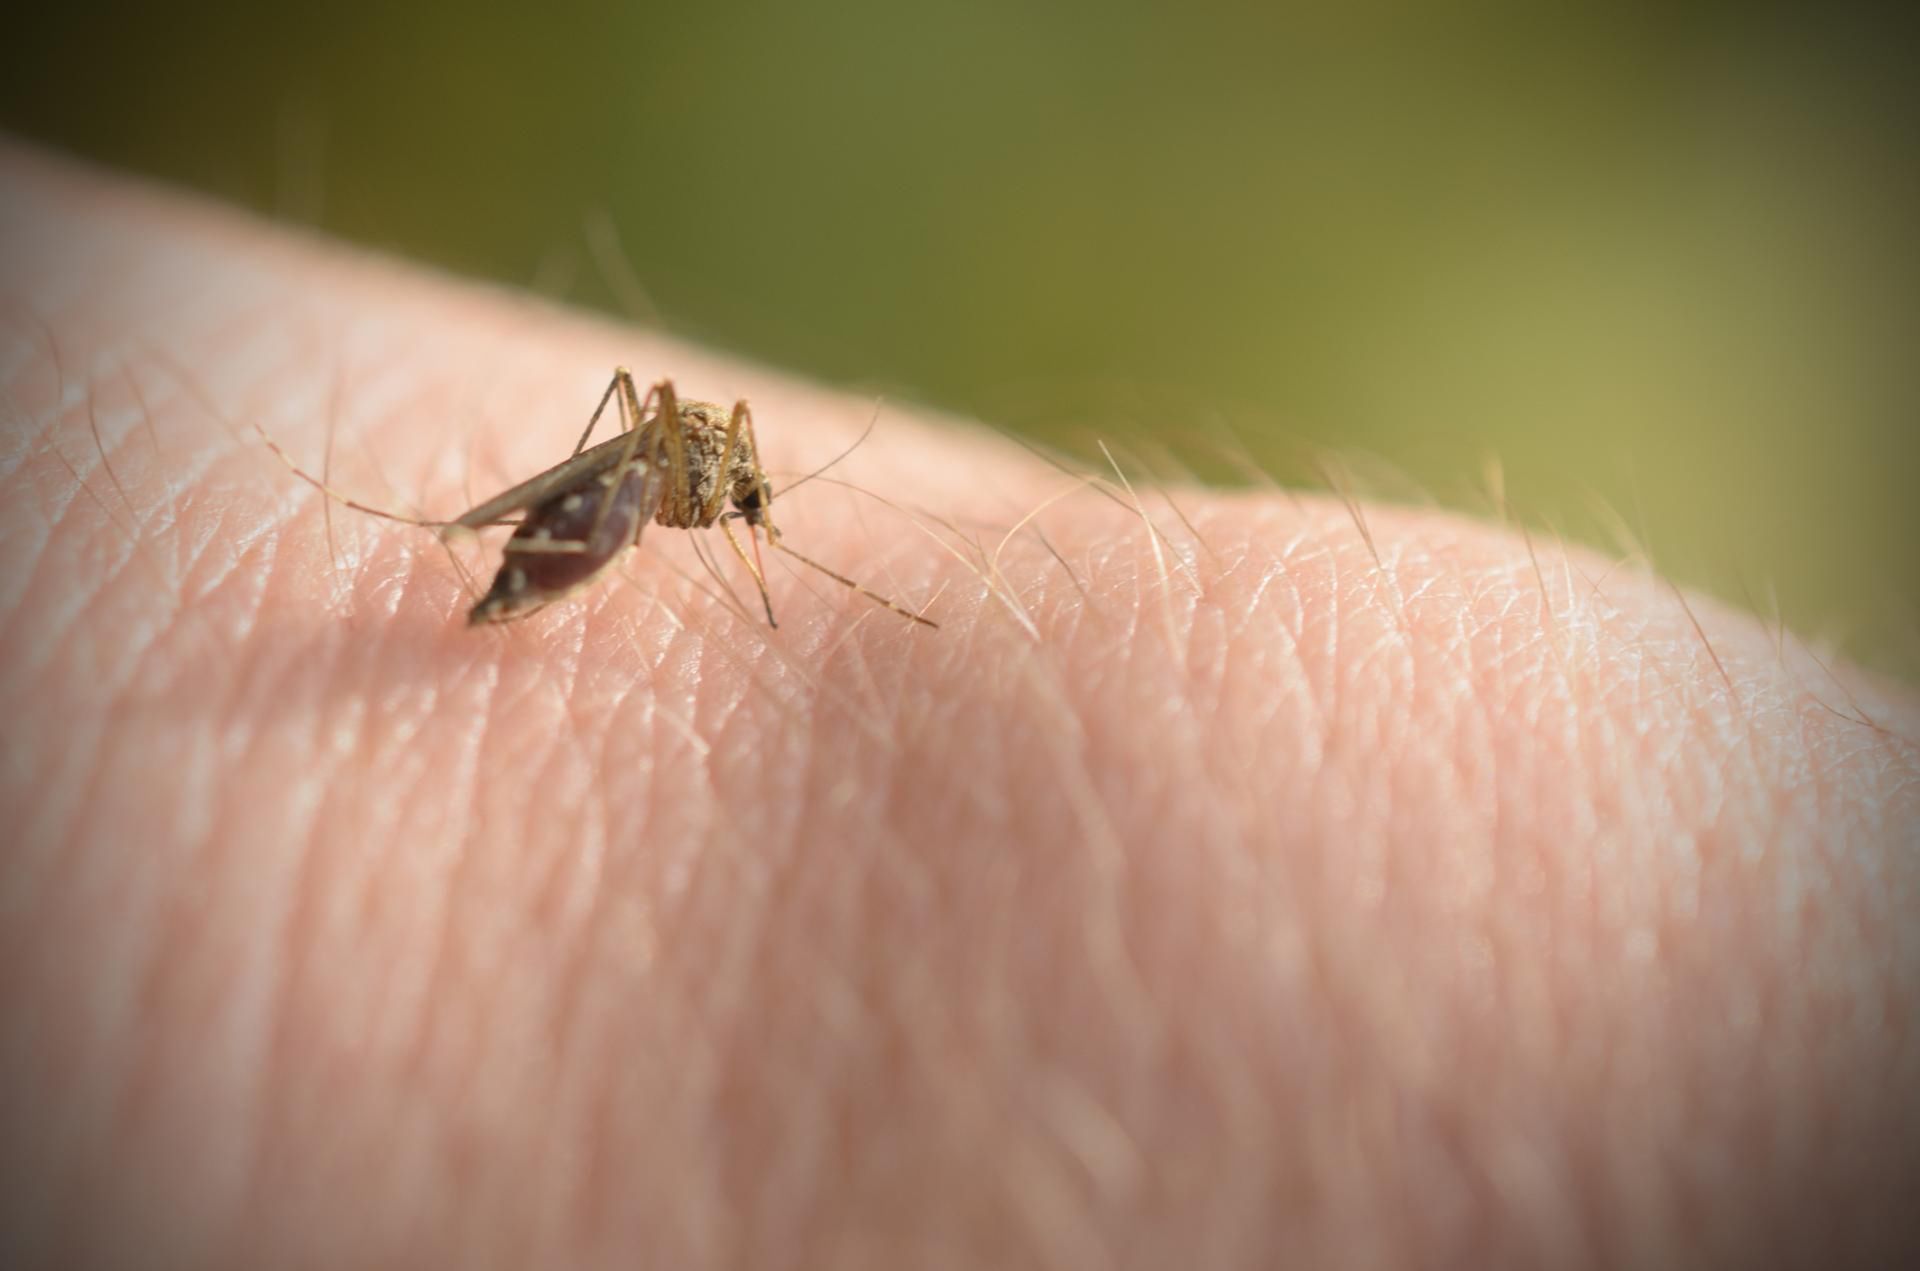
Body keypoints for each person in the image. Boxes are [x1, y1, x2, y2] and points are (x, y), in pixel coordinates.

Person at [2, 140, 1914, 1269]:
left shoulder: (705, 469)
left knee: (640, 451)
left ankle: (475, 533)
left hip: (621, 494)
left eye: (742, 502)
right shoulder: (702, 480)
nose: (736, 498)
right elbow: (682, 464)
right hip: (598, 503)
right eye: (745, 500)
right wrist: (742, 555)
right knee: (631, 460)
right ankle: (476, 535)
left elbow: (686, 455)